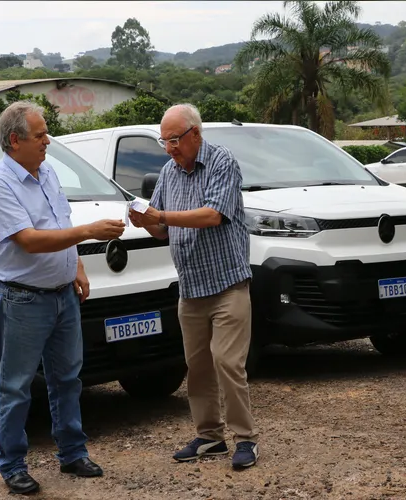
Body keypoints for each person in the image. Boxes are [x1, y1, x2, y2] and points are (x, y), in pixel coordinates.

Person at [0, 100, 126, 495]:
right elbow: (29, 240)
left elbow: (59, 222)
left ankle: (72, 453)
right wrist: (90, 231)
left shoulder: (47, 173)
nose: (48, 141)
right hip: (23, 300)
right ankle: (12, 465)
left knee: (67, 379)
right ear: (14, 141)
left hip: (62, 296)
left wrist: (75, 266)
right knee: (15, 386)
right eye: (40, 135)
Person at [128, 103, 260, 470]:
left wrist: (161, 216)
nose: (169, 148)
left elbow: (212, 214)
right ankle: (209, 436)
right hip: (191, 287)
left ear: (195, 134)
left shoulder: (222, 161)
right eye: (164, 141)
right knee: (197, 366)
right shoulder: (169, 173)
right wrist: (143, 221)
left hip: (228, 283)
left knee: (227, 362)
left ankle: (245, 439)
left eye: (174, 140)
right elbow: (162, 229)